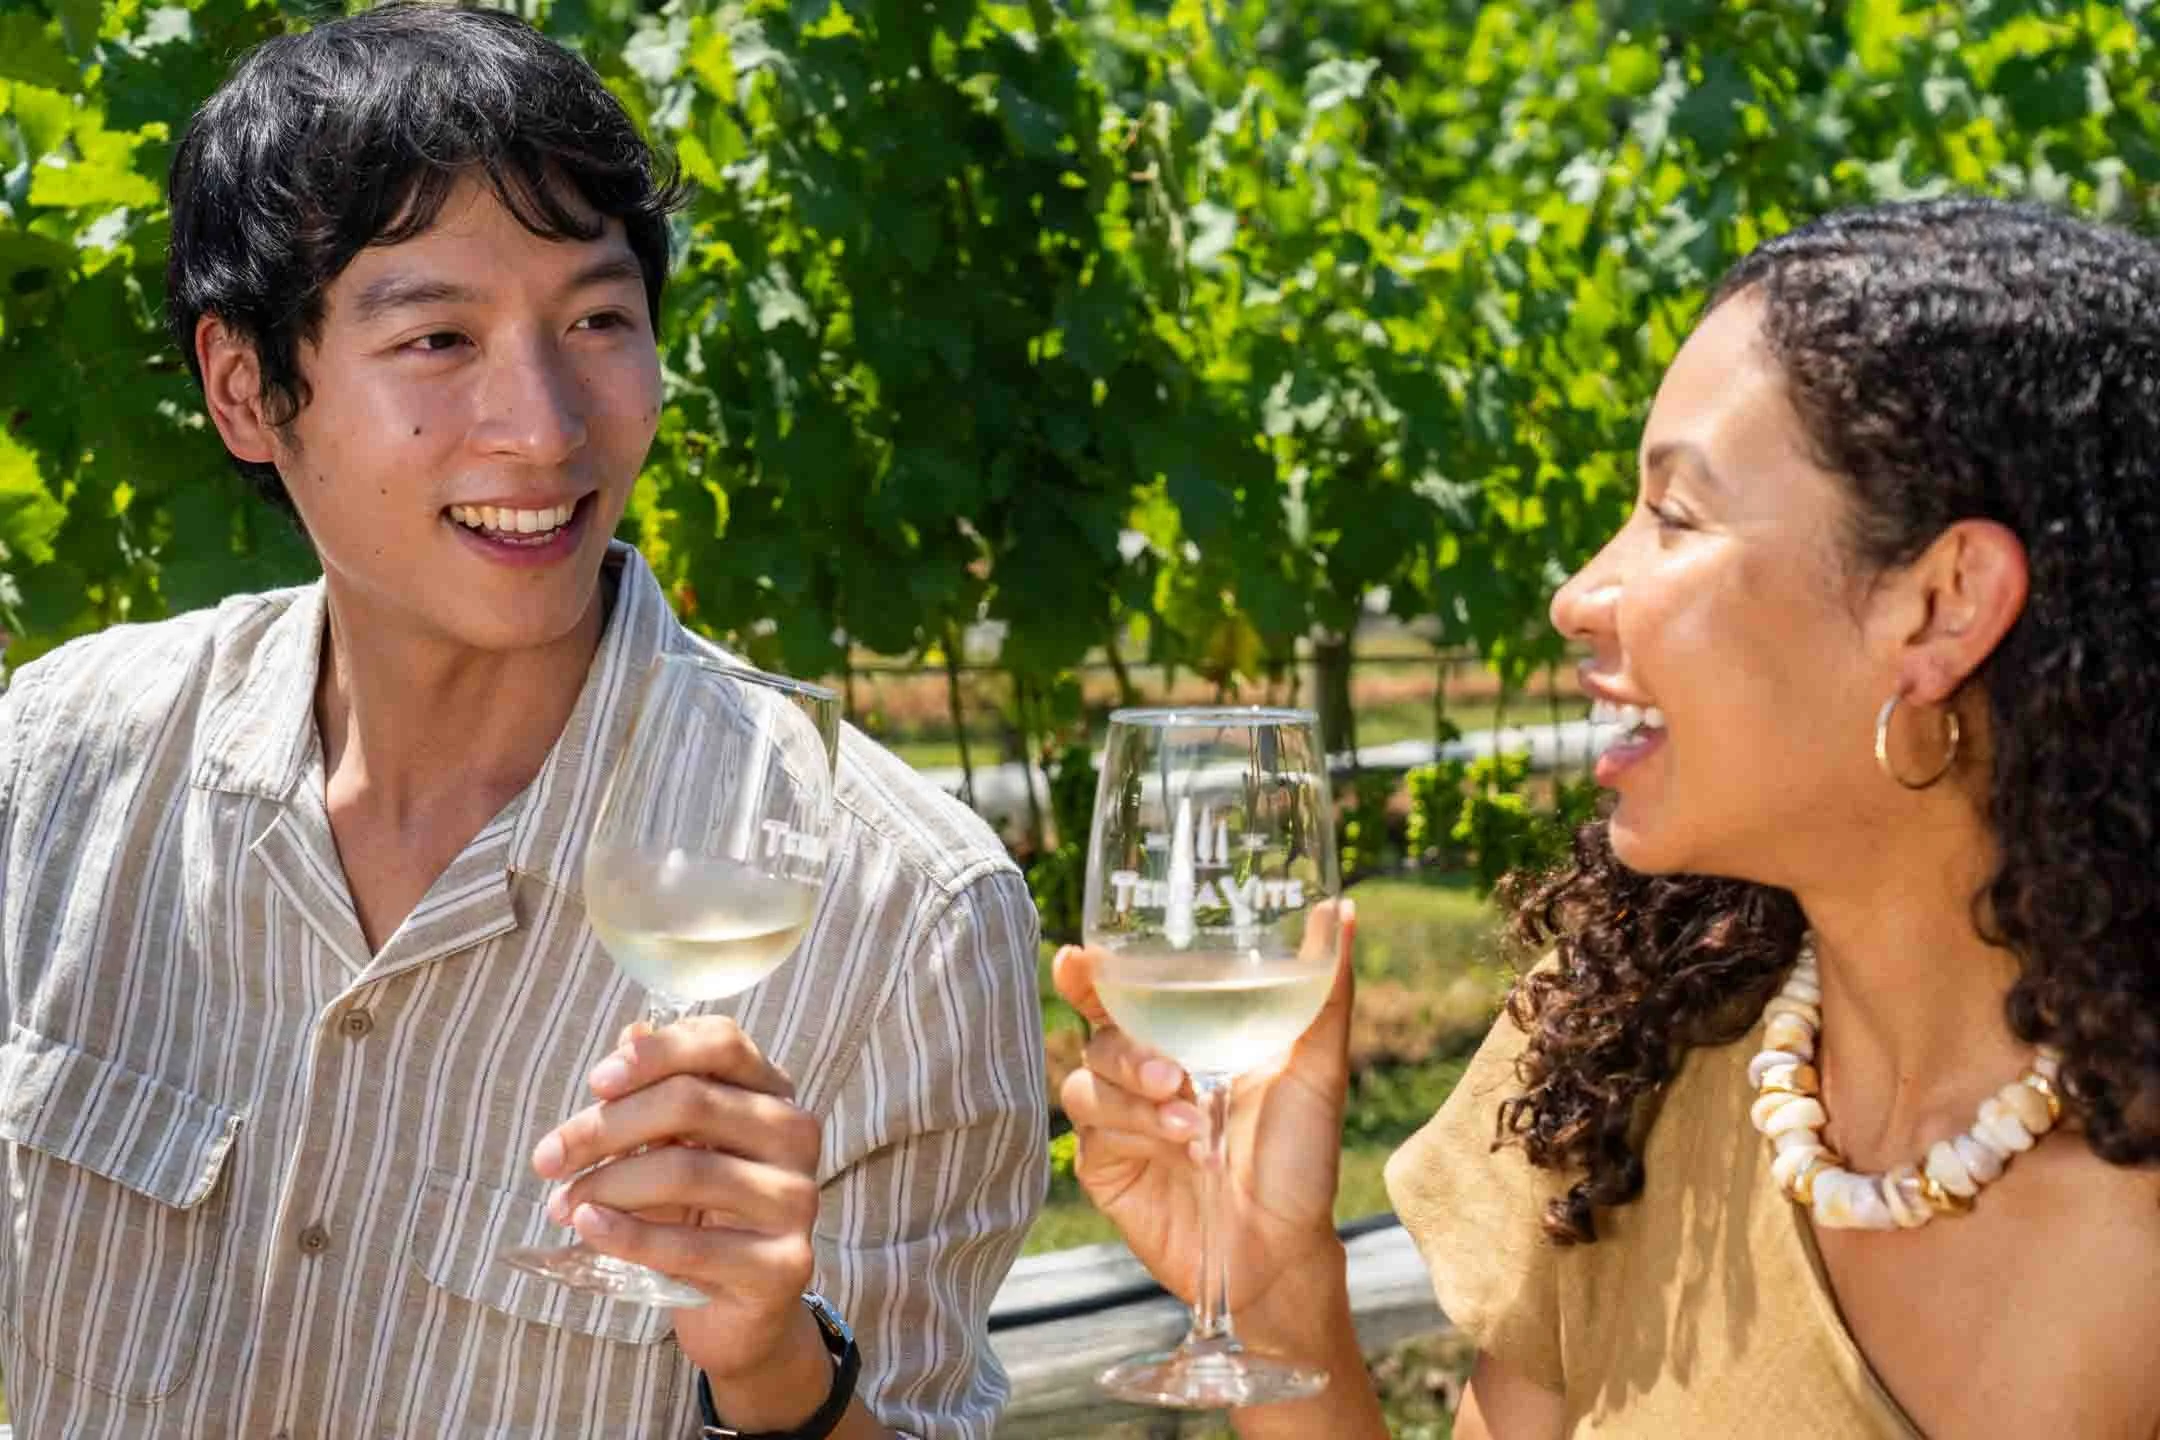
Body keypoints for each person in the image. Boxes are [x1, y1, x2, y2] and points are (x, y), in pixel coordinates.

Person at [0, 7, 1045, 1436]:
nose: (546, 428)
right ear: (245, 388)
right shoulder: (55, 765)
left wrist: (776, 1369)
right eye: (438, 337)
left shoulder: (904, 914)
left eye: (597, 322)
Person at [1056, 198, 2160, 1438]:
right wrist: (1273, 1295)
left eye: (1675, 516)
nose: (1579, 595)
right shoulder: (1624, 1057)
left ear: (1943, 606)